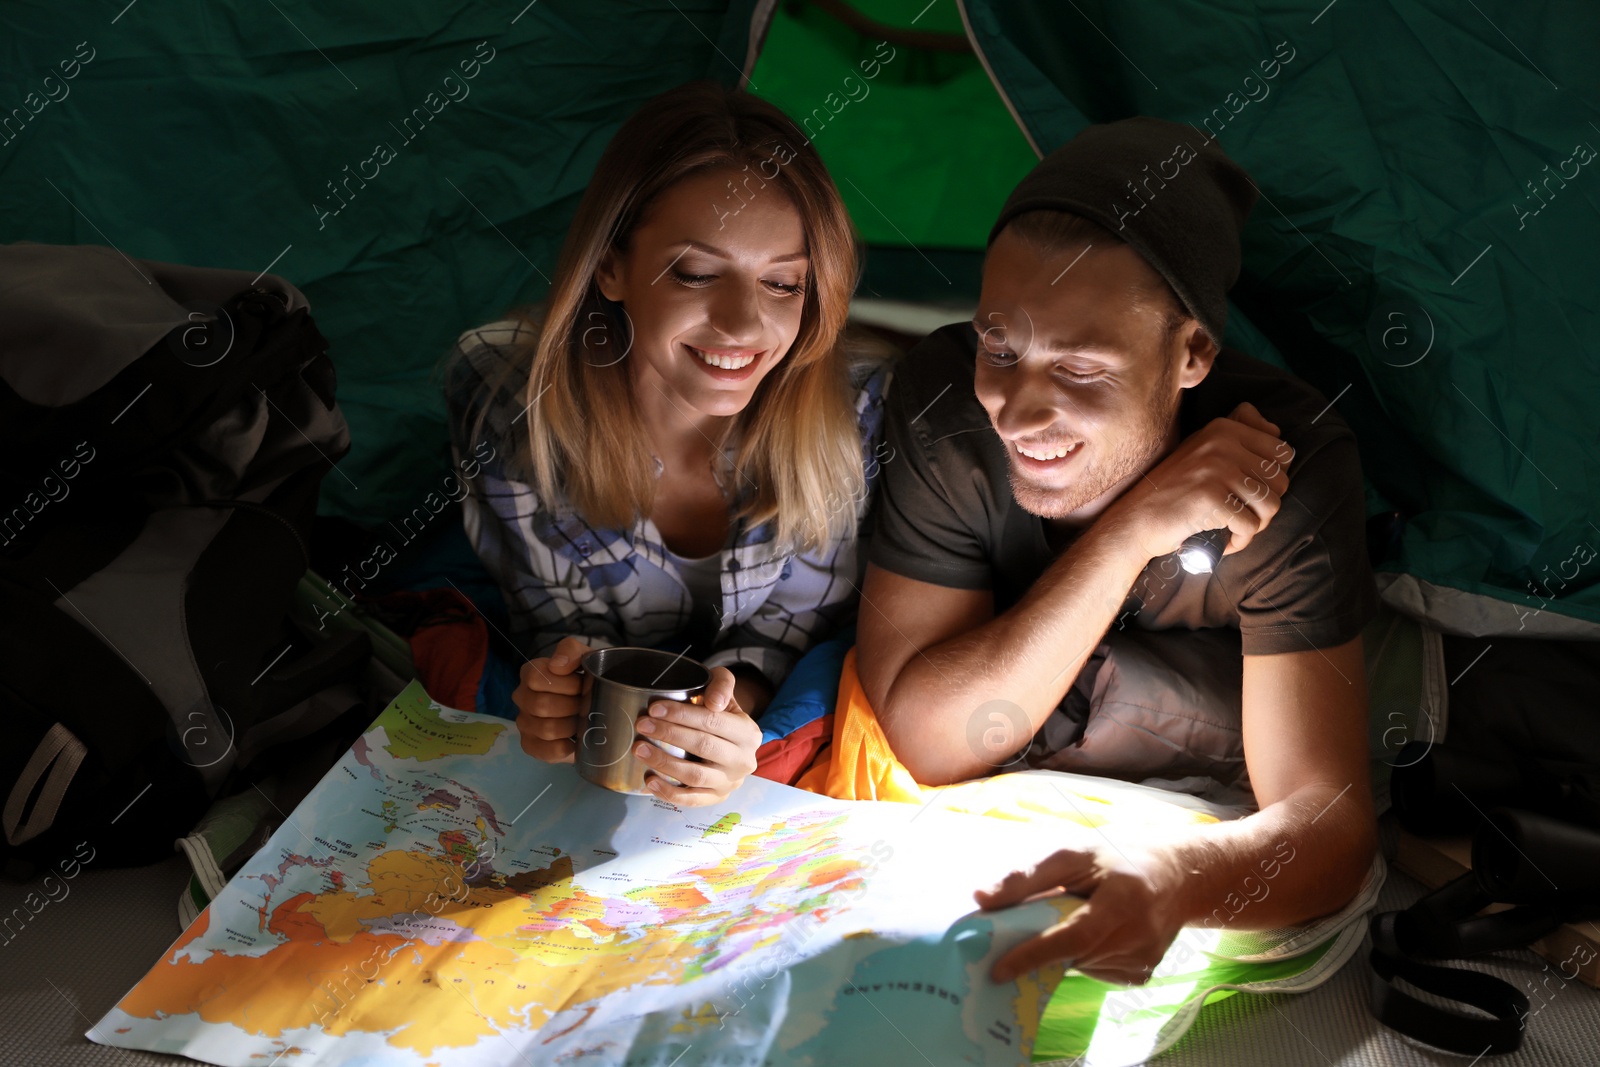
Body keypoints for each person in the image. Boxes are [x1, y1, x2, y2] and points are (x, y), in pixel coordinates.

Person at [856, 117, 1379, 984]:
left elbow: (1328, 823)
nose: (1019, 412)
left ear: (1193, 354)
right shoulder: (946, 409)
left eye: (1081, 369)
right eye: (1001, 346)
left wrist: (1174, 876)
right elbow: (928, 740)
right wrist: (1133, 528)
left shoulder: (1290, 467)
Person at [445, 82, 887, 808]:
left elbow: (786, 640)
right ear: (611, 266)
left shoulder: (863, 409)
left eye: (782, 283)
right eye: (698, 272)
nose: (744, 323)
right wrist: (560, 686)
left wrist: (730, 716)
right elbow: (560, 625)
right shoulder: (502, 395)